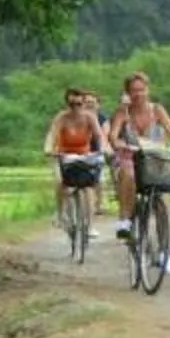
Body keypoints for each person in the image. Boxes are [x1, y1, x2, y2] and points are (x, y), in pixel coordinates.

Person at [104, 72, 170, 250]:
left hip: (153, 158)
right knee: (128, 172)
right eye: (133, 90)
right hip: (130, 157)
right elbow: (113, 136)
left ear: (148, 90)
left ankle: (164, 250)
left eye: (142, 90)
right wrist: (121, 144)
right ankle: (124, 220)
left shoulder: (157, 110)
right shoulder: (122, 112)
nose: (138, 94)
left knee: (163, 201)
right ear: (127, 93)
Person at [44, 87, 108, 239]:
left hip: (84, 155)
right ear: (67, 104)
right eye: (72, 105)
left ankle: (90, 225)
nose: (76, 108)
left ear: (83, 104)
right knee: (61, 181)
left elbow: (99, 136)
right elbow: (52, 134)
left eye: (79, 104)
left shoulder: (89, 118)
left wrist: (104, 149)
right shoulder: (62, 118)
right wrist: (48, 149)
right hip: (64, 155)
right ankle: (60, 215)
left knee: (89, 187)